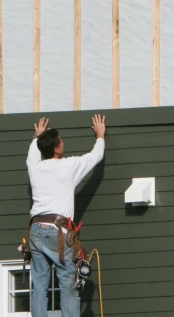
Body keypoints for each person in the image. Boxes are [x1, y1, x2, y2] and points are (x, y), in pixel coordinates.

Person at [26, 114, 106, 317]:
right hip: (57, 231)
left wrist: (37, 136)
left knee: (40, 287)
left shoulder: (34, 168)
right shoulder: (67, 166)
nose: (63, 142)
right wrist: (100, 135)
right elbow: (95, 157)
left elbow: (32, 155)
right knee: (68, 283)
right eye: (60, 141)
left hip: (35, 230)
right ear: (56, 149)